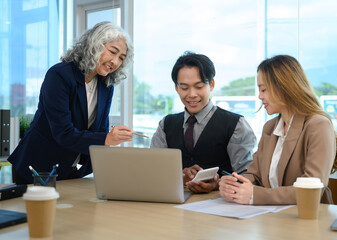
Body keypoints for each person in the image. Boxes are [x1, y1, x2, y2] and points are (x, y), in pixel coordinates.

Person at [9, 21, 135, 184]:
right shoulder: (59, 75)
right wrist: (107, 138)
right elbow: (63, 133)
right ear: (95, 45)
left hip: (71, 170)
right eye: (112, 52)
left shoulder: (105, 86)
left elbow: (101, 130)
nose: (116, 62)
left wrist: (109, 147)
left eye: (121, 58)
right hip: (38, 168)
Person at [219, 55, 337, 205]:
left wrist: (256, 195)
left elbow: (312, 189)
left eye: (264, 89)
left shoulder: (318, 125)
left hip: (307, 219)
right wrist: (236, 184)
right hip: (271, 219)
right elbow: (255, 175)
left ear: (284, 88)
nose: (260, 96)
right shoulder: (270, 127)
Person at [151, 51, 256, 193]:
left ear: (211, 84)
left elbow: (246, 176)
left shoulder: (236, 124)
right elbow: (154, 172)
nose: (192, 94)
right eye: (184, 88)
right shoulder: (166, 125)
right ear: (176, 88)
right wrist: (180, 176)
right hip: (173, 205)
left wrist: (217, 184)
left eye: (199, 87)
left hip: (219, 206)